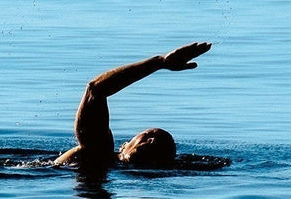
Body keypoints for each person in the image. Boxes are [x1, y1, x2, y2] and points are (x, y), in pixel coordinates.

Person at [54, 41, 222, 169]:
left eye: (162, 144)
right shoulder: (97, 153)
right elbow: (96, 90)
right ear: (123, 146)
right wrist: (159, 62)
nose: (152, 140)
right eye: (148, 135)